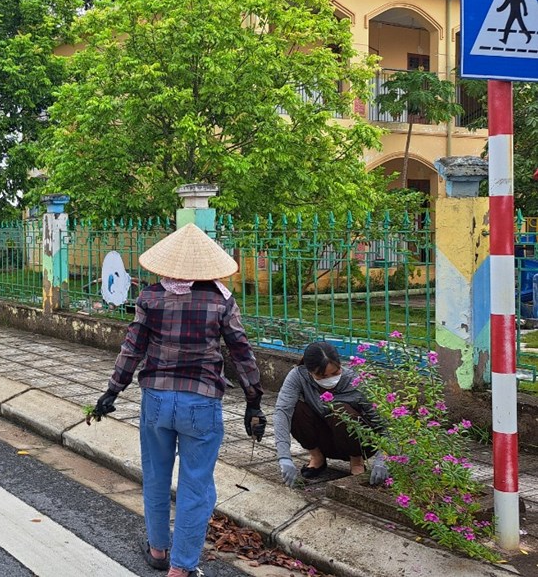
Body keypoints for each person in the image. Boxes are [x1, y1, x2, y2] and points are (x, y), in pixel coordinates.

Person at [90, 223, 265, 577]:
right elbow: (241, 353)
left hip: (156, 400)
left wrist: (112, 391)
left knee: (155, 476)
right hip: (200, 403)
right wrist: (254, 400)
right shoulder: (221, 300)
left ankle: (158, 550)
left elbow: (132, 349)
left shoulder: (150, 298)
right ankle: (181, 568)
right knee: (195, 485)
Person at [274, 341, 389, 487]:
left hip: (357, 442)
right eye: (321, 376)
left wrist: (383, 459)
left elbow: (385, 425)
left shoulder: (357, 381)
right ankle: (317, 457)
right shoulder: (298, 376)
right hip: (324, 439)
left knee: (340, 410)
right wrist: (284, 457)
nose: (329, 379)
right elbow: (282, 412)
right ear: (309, 371)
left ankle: (357, 462)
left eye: (335, 373)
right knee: (295, 408)